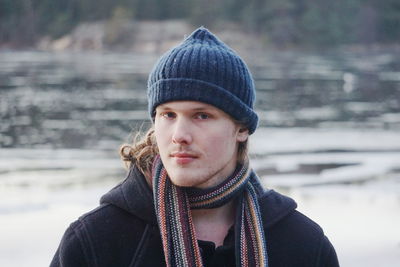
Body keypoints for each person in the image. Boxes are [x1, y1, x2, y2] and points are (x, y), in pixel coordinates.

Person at [50, 27, 339, 267]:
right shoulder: (96, 240)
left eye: (202, 116)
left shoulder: (303, 244)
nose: (179, 135)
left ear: (241, 128)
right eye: (168, 115)